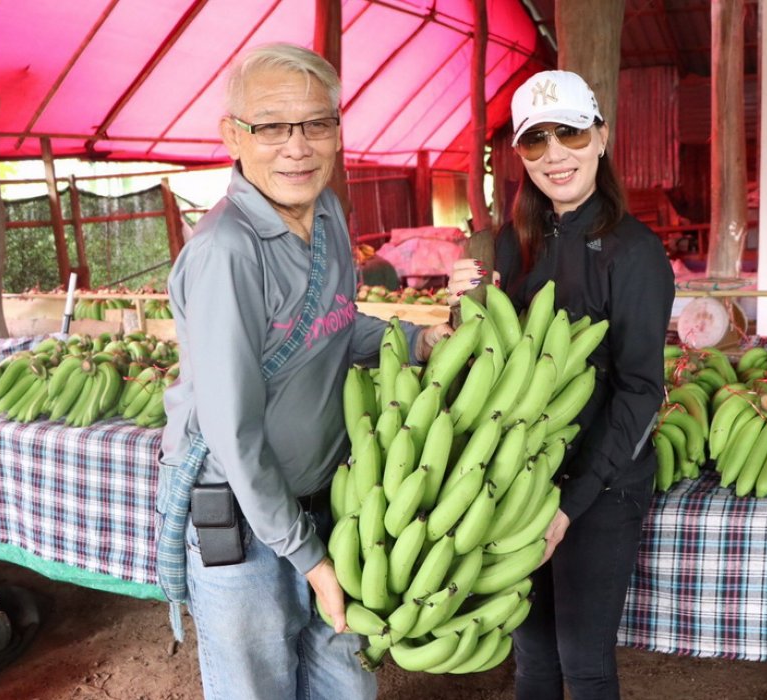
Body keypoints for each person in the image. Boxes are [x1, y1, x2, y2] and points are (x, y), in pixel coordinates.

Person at [157, 43, 449, 700]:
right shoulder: (226, 253)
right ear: (233, 135)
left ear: (338, 133)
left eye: (317, 124)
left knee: (345, 686)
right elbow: (234, 432)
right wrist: (307, 556)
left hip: (327, 505)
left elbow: (334, 328)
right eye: (272, 126)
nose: (298, 147)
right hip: (247, 522)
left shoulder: (328, 218)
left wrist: (417, 340)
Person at [449, 69, 675, 699]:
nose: (555, 154)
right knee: (534, 660)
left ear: (600, 138)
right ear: (521, 156)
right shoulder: (504, 247)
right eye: (535, 140)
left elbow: (639, 391)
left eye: (571, 133)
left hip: (602, 487)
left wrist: (570, 506)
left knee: (583, 660)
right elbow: (477, 365)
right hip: (518, 477)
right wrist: (459, 310)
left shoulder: (635, 254)